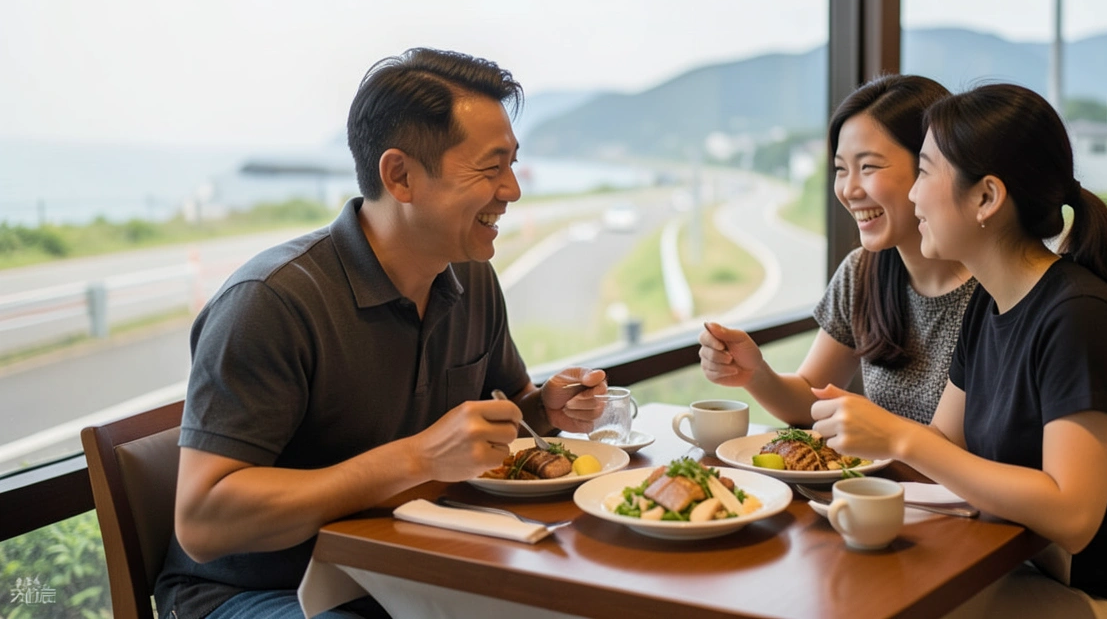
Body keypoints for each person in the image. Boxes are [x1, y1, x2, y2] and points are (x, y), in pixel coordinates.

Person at [155, 48, 608, 619]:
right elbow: (203, 522)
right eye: (491, 168)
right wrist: (417, 459)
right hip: (256, 593)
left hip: (402, 565)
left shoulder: (470, 276)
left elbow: (510, 406)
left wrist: (545, 409)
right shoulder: (271, 303)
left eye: (513, 164)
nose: (513, 189)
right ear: (400, 176)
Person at [812, 83, 1107, 618]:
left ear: (986, 198)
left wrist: (900, 437)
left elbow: (1073, 515)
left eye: (924, 173)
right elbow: (944, 444)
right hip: (1026, 570)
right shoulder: (990, 303)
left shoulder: (1078, 317)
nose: (913, 196)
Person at [699, 75, 976, 427]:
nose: (848, 190)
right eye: (841, 169)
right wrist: (754, 373)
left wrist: (875, 426)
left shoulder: (993, 288)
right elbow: (811, 399)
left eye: (868, 166)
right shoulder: (862, 272)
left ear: (934, 165)